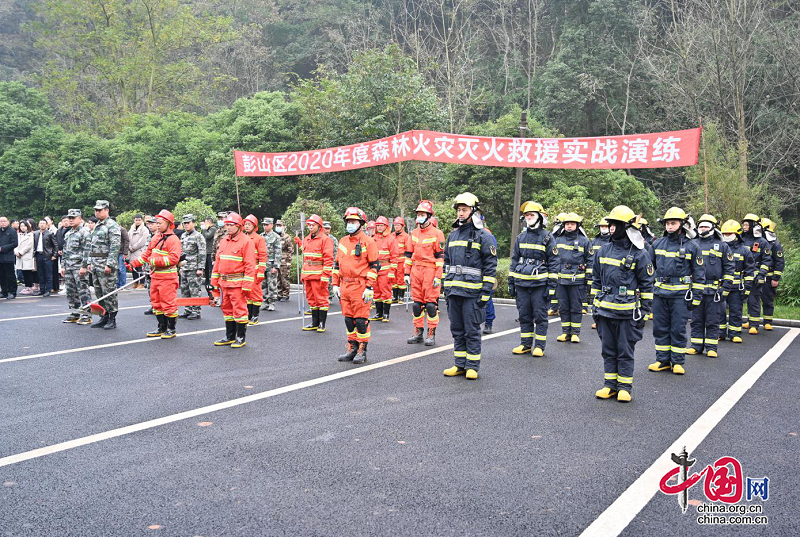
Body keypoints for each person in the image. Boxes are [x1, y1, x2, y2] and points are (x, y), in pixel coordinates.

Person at [591, 206, 654, 402]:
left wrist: (644, 311)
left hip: (627, 313)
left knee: (625, 351)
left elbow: (647, 285)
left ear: (626, 227)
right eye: (610, 224)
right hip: (605, 311)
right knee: (608, 350)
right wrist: (595, 306)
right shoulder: (602, 251)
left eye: (615, 225)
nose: (611, 228)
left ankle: (625, 387)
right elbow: (596, 280)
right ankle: (609, 385)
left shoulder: (639, 254)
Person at [442, 193, 497, 380]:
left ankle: (472, 366)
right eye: (458, 210)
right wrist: (445, 288)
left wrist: (485, 293)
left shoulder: (484, 237)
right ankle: (459, 364)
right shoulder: (452, 235)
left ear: (474, 211)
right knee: (457, 330)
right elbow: (446, 264)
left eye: (464, 210)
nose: (460, 213)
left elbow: (490, 267)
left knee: (471, 330)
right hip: (454, 292)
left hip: (472, 294)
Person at [647, 207, 704, 375]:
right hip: (660, 295)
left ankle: (678, 361)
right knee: (660, 328)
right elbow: (648, 270)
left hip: (680, 295)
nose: (670, 226)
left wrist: (697, 297)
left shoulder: (692, 246)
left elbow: (699, 273)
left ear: (681, 225)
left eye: (673, 223)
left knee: (678, 328)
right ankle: (662, 360)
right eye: (667, 223)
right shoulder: (657, 244)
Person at [508, 201, 558, 357]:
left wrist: (552, 286)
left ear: (540, 217)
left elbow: (554, 263)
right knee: (524, 315)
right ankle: (525, 345)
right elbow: (515, 260)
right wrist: (511, 281)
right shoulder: (521, 237)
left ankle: (539, 346)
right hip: (522, 284)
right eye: (527, 215)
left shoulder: (548, 237)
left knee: (540, 316)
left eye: (532, 215)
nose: (529, 217)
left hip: (539, 285)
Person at [334, 207, 379, 364]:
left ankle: (362, 349)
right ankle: (351, 347)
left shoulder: (369, 242)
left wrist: (369, 287)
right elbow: (336, 265)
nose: (350, 224)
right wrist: (335, 285)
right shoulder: (343, 241)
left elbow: (374, 266)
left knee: (360, 320)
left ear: (361, 223)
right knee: (348, 320)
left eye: (353, 221)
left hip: (360, 287)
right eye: (348, 221)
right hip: (345, 286)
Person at [687, 215, 734, 358]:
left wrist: (725, 289)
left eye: (706, 226)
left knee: (713, 320)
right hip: (696, 289)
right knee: (696, 319)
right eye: (701, 226)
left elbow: (729, 268)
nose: (703, 229)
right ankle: (696, 346)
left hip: (714, 291)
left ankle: (712, 347)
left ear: (713, 228)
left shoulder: (722, 246)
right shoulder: (692, 244)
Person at [211, 212, 256, 348]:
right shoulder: (224, 240)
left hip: (237, 283)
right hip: (224, 283)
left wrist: (247, 285)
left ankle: (240, 337)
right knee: (226, 309)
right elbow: (218, 262)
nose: (228, 227)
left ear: (239, 226)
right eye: (227, 225)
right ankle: (229, 336)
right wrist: (214, 281)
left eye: (231, 225)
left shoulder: (246, 241)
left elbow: (250, 265)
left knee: (240, 310)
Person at [404, 200, 445, 346]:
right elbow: (408, 255)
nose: (419, 216)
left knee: (430, 305)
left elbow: (440, 257)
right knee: (417, 304)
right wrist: (406, 274)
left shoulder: (437, 234)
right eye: (418, 214)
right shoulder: (414, 233)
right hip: (416, 270)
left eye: (422, 214)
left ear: (429, 216)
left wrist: (438, 277)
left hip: (430, 270)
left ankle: (431, 333)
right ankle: (418, 332)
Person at [553, 212, 591, 343]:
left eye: (572, 224)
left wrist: (588, 278)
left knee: (576, 306)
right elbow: (553, 258)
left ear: (577, 225)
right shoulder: (558, 239)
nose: (569, 226)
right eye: (567, 224)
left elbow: (590, 260)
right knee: (563, 307)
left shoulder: (584, 241)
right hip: (561, 280)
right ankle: (565, 332)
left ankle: (575, 333)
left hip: (577, 280)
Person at [85, 200, 122, 330]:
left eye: (100, 210)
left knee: (109, 292)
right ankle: (103, 316)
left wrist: (110, 264)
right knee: (99, 292)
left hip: (105, 263)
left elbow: (115, 246)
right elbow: (92, 245)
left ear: (107, 210)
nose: (97, 212)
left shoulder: (112, 225)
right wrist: (89, 261)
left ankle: (112, 318)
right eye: (96, 210)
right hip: (96, 264)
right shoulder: (97, 225)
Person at [296, 214, 334, 331]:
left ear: (319, 226)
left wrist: (325, 276)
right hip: (307, 273)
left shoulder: (326, 240)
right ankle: (314, 323)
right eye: (309, 225)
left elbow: (328, 259)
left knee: (321, 299)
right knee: (311, 299)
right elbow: (307, 253)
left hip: (318, 274)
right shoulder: (307, 239)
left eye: (313, 225)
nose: (310, 227)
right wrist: (300, 243)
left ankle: (322, 324)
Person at [719, 220, 755, 343]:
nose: (726, 236)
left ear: (737, 234)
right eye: (725, 234)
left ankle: (735, 333)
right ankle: (720, 333)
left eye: (729, 234)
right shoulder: (719, 248)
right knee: (719, 311)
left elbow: (750, 270)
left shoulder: (744, 250)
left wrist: (748, 287)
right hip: (721, 286)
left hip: (736, 288)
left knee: (736, 311)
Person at [740, 214, 773, 334]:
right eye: (743, 224)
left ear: (754, 226)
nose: (744, 227)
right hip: (740, 276)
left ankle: (754, 325)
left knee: (754, 299)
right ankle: (748, 321)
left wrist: (761, 274)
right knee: (743, 300)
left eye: (747, 224)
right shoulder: (740, 239)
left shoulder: (762, 242)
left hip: (755, 276)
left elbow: (767, 260)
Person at [61, 209, 93, 325]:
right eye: (69, 218)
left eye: (73, 218)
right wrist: (63, 266)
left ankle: (87, 313)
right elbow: (65, 251)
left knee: (83, 290)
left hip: (79, 266)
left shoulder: (84, 232)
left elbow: (87, 251)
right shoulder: (69, 233)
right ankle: (75, 312)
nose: (70, 220)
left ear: (80, 219)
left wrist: (84, 266)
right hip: (69, 266)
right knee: (71, 291)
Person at [369, 216, 399, 322]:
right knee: (376, 292)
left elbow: (395, 257)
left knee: (385, 292)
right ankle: (379, 314)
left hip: (386, 270)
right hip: (375, 270)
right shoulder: (373, 238)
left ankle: (386, 314)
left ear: (386, 227)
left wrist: (392, 272)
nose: (380, 228)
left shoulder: (391, 239)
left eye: (382, 226)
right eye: (378, 226)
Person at [178, 214, 206, 320]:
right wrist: (180, 266)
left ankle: (196, 311)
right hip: (185, 266)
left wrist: (200, 268)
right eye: (184, 223)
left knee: (194, 290)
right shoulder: (183, 235)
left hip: (194, 267)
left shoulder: (198, 236)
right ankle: (187, 309)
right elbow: (181, 252)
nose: (186, 225)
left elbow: (202, 253)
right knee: (184, 290)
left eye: (188, 223)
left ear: (193, 223)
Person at [759, 218, 784, 331]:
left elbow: (780, 262)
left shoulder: (775, 244)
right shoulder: (757, 241)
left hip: (769, 277)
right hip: (757, 275)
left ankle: (768, 321)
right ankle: (751, 321)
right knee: (752, 299)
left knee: (767, 299)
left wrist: (775, 278)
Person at [243, 214, 267, 324]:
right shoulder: (242, 237)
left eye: (249, 224)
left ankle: (255, 316)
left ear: (254, 226)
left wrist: (261, 271)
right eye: (245, 224)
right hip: (245, 269)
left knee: (255, 293)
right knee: (247, 293)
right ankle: (248, 314)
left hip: (255, 269)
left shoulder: (259, 239)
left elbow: (263, 255)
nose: (246, 226)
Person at [588, 217, 611, 329]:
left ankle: (607, 320)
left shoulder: (612, 239)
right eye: (602, 226)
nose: (604, 228)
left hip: (609, 272)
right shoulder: (595, 241)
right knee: (596, 297)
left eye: (606, 226)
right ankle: (597, 320)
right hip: (597, 272)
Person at [480, 215, 498, 334]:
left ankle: (488, 323)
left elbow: (491, 257)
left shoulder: (488, 236)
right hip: (472, 274)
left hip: (484, 273)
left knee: (487, 298)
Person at [261, 217, 282, 311]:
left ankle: (272, 302)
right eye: (264, 224)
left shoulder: (276, 237)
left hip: (271, 264)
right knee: (263, 284)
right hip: (262, 264)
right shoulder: (261, 236)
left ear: (271, 225)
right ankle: (264, 301)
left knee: (272, 284)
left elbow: (278, 252)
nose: (265, 226)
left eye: (267, 224)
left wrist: (276, 266)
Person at [33, 220, 58, 296]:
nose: (42, 225)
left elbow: (55, 245)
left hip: (48, 255)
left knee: (48, 274)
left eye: (44, 223)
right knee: (40, 273)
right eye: (40, 223)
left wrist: (54, 255)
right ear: (38, 225)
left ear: (47, 225)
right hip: (38, 254)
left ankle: (48, 290)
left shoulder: (50, 234)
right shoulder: (36, 233)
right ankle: (42, 289)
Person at [128, 214, 150, 288]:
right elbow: (128, 239)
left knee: (140, 268)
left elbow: (142, 241)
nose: (137, 222)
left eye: (139, 220)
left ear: (142, 220)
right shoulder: (131, 229)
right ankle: (135, 282)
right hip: (131, 251)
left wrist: (133, 247)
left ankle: (142, 282)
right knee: (133, 267)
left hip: (140, 251)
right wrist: (129, 247)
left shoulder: (144, 229)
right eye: (136, 220)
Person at [14, 220, 35, 295]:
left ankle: (29, 287)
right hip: (19, 256)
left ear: (27, 227)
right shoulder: (18, 235)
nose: (23, 227)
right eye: (21, 226)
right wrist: (16, 251)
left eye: (24, 226)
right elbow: (15, 244)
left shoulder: (30, 235)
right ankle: (26, 287)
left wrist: (21, 252)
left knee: (28, 272)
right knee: (23, 272)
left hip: (26, 256)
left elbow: (29, 246)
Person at [391, 216, 409, 304]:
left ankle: (401, 297)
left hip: (402, 259)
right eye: (395, 225)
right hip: (393, 260)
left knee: (401, 278)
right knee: (393, 278)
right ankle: (395, 296)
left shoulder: (406, 236)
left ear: (402, 226)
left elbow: (408, 249)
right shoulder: (391, 236)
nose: (396, 227)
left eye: (398, 225)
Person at [0, 216, 19, 299]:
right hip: (0, 257)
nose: (3, 223)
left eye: (4, 221)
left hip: (8, 256)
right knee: (1, 276)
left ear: (8, 222)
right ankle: (4, 291)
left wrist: (3, 248)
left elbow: (15, 243)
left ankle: (12, 292)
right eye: (1, 221)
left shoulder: (12, 231)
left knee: (10, 275)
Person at [142, 215, 158, 315]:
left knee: (157, 288)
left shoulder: (160, 237)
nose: (150, 226)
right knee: (149, 287)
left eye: (152, 224)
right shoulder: (149, 236)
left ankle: (158, 306)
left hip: (156, 267)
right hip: (148, 266)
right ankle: (153, 305)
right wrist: (144, 263)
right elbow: (146, 251)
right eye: (149, 224)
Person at [277, 219, 292, 301]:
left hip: (284, 261)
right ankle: (279, 294)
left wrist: (289, 262)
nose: (278, 227)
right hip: (277, 260)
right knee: (278, 278)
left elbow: (290, 250)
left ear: (284, 227)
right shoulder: (276, 236)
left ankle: (286, 295)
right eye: (277, 226)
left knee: (284, 278)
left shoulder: (287, 237)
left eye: (280, 226)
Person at [201, 216, 217, 286]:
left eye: (205, 223)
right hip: (206, 251)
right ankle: (207, 281)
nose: (204, 224)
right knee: (206, 268)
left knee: (211, 268)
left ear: (209, 223)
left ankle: (212, 281)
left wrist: (204, 229)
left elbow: (208, 236)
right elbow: (203, 237)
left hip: (210, 251)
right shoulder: (207, 229)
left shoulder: (213, 229)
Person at [118, 224, 130, 289]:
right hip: (114, 253)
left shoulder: (122, 229)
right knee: (115, 270)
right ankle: (117, 285)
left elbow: (126, 241)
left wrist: (125, 253)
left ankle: (123, 285)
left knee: (121, 269)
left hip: (121, 252)